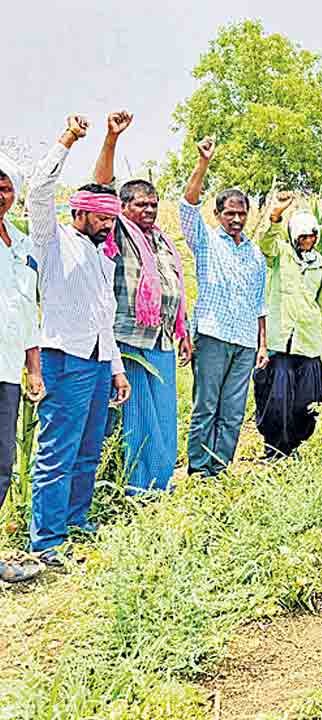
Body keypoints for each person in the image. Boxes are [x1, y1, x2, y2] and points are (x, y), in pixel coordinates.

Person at [27, 115, 131, 567]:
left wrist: (116, 368)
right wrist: (68, 139)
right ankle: (47, 541)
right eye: (101, 217)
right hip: (62, 358)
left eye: (112, 218)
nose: (109, 225)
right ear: (80, 213)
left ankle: (76, 524)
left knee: (88, 450)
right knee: (57, 451)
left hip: (94, 360)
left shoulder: (99, 253)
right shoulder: (52, 241)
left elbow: (102, 317)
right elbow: (38, 191)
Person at [91, 111, 192, 494]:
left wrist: (184, 331)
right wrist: (112, 139)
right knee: (136, 417)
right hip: (130, 341)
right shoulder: (119, 232)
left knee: (166, 417)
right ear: (124, 207)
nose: (148, 210)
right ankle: (137, 488)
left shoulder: (162, 241)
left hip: (163, 339)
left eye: (153, 205)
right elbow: (101, 186)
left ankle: (161, 485)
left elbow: (175, 288)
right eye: (141, 205)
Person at [180, 137, 268, 476]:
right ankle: (199, 471)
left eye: (241, 213)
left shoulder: (255, 253)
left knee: (232, 411)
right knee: (205, 406)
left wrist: (261, 345)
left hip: (245, 341)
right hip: (213, 334)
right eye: (229, 213)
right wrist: (203, 163)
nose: (236, 219)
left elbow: (259, 303)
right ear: (217, 214)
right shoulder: (204, 240)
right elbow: (188, 207)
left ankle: (219, 470)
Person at [253, 191, 322, 458]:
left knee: (305, 401)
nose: (308, 241)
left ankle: (294, 446)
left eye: (312, 236)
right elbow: (265, 245)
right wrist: (275, 216)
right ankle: (274, 449)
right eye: (303, 237)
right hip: (280, 340)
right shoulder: (281, 254)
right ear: (294, 237)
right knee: (277, 400)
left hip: (307, 342)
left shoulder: (320, 264)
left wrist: (318, 333)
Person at [0, 150, 45, 583]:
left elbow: (29, 311)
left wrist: (34, 368)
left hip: (9, 368)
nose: (1, 193)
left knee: (2, 461)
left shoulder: (21, 243)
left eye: (7, 185)